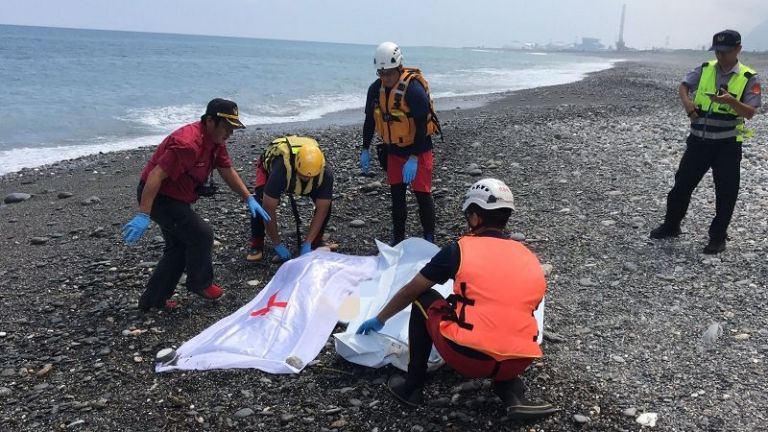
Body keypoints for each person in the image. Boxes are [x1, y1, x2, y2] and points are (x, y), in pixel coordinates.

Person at [356, 178, 557, 418]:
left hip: (470, 358)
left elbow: (411, 290)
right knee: (508, 315)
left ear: (474, 217)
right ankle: (512, 392)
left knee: (423, 298)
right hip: (520, 360)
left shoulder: (459, 250)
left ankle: (412, 388)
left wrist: (380, 319)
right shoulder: (528, 257)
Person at [122, 98, 270, 311]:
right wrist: (144, 213)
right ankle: (200, 284)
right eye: (227, 127)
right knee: (201, 234)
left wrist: (248, 198)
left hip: (178, 199)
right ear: (210, 121)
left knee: (178, 248)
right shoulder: (188, 144)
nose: (230, 133)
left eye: (233, 128)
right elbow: (155, 176)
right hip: (159, 198)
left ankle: (153, 300)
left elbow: (226, 170)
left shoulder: (216, 143)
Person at [650, 30, 761, 254]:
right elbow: (683, 86)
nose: (720, 56)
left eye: (725, 52)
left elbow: (750, 112)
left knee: (726, 192)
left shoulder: (749, 78)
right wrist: (688, 105)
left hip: (727, 145)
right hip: (698, 142)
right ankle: (671, 225)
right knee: (681, 185)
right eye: (717, 51)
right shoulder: (705, 68)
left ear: (738, 50)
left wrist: (731, 101)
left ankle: (718, 238)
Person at [360, 41, 441, 245]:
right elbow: (370, 121)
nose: (385, 78)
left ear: (399, 68)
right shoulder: (374, 90)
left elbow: (422, 126)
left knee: (422, 195)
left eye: (389, 73)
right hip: (393, 151)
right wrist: (365, 148)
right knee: (397, 196)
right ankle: (398, 239)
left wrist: (414, 157)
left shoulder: (413, 89)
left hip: (418, 150)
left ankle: (429, 238)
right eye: (381, 73)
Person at [246, 135, 335, 262]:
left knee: (327, 204)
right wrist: (277, 244)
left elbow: (322, 209)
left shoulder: (326, 174)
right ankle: (257, 243)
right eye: (302, 176)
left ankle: (315, 241)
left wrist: (307, 242)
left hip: (306, 175)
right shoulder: (281, 169)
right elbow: (268, 208)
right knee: (259, 204)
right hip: (269, 169)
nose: (306, 179)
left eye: (309, 177)